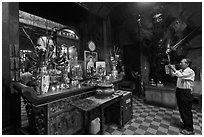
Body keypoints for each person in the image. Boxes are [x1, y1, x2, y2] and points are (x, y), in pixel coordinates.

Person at [168, 58, 195, 135]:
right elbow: (172, 75)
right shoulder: (180, 70)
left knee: (186, 110)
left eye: (182, 62)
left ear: (187, 64)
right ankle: (186, 124)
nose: (180, 63)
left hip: (186, 92)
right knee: (181, 109)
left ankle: (190, 129)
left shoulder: (190, 71)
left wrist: (173, 68)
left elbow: (181, 76)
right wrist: (170, 69)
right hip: (179, 91)